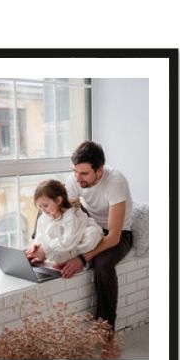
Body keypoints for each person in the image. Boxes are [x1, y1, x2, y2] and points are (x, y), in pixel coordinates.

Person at [62, 141, 133, 330]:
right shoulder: (75, 178)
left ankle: (105, 332)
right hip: (92, 224)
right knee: (53, 198)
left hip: (118, 232)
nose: (77, 178)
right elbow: (64, 215)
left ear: (99, 171)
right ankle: (37, 250)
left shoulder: (115, 181)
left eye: (84, 173)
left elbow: (114, 237)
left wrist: (82, 259)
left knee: (102, 264)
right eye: (75, 171)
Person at [27, 179, 103, 267]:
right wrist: (36, 247)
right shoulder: (45, 215)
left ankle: (67, 258)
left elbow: (68, 242)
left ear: (58, 200)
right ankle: (51, 256)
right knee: (50, 232)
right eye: (40, 206)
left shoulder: (70, 217)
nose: (43, 210)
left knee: (92, 234)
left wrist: (45, 249)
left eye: (45, 205)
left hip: (76, 239)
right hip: (62, 243)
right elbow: (40, 234)